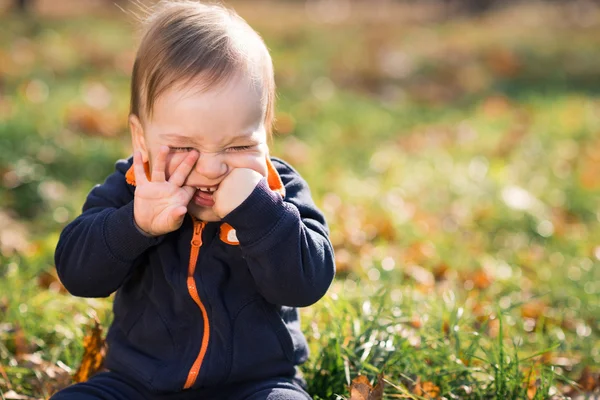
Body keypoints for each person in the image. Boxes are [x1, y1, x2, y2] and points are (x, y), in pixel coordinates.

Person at [51, 1, 335, 399]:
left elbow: (305, 285)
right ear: (141, 138)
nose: (212, 167)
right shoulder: (132, 187)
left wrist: (259, 213)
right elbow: (76, 273)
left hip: (255, 384)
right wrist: (134, 224)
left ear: (265, 135)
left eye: (239, 145)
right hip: (136, 383)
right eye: (184, 145)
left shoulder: (278, 191)